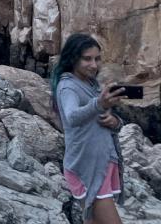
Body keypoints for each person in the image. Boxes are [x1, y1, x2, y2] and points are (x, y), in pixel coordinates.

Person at [51, 33, 126, 224]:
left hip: (100, 163)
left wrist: (115, 122)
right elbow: (72, 116)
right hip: (87, 168)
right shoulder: (68, 86)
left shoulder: (91, 84)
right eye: (87, 59)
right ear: (73, 58)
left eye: (97, 59)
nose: (94, 64)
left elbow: (98, 121)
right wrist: (99, 104)